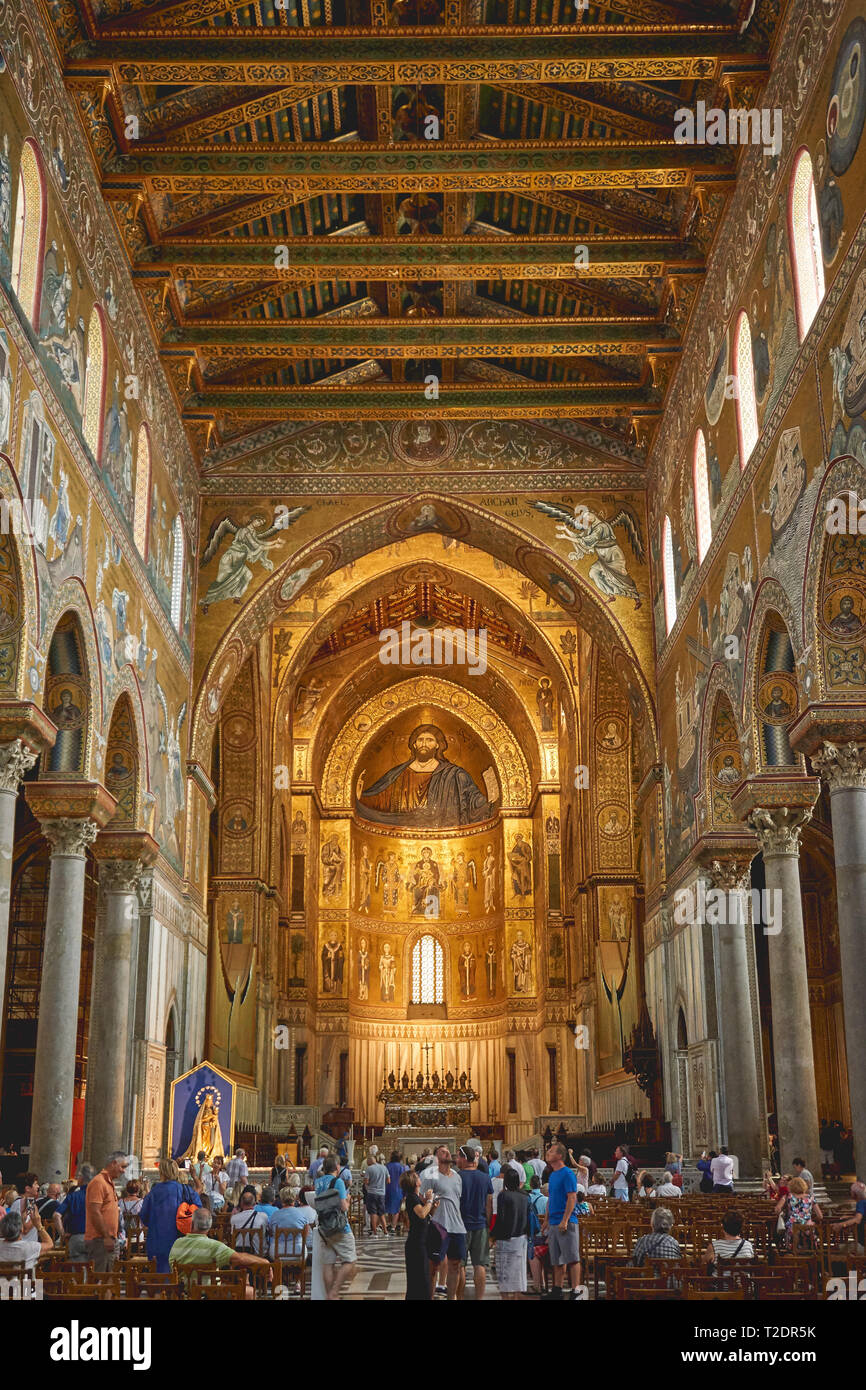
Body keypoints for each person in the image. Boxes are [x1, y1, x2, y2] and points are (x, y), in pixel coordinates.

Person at [170, 1207, 269, 1300]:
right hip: (210, 1295)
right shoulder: (214, 1246)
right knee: (249, 1292)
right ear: (209, 1227)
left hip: (183, 1295)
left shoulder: (176, 1244)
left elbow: (172, 1267)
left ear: (192, 1224)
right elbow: (240, 1258)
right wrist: (264, 1262)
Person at [139, 1158, 203, 1273]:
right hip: (182, 1238)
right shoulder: (185, 1190)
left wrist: (154, 1223)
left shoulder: (154, 1191)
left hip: (157, 1239)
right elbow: (198, 1211)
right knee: (179, 1274)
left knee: (159, 1274)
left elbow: (144, 1215)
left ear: (161, 1172)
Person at [313, 1154, 357, 1300]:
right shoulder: (338, 1182)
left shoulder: (318, 1182)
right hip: (339, 1228)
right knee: (350, 1260)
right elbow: (344, 1207)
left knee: (328, 1264)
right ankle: (334, 1292)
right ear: (337, 1167)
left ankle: (329, 1295)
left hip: (324, 1227)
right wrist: (348, 1200)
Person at [426, 1145, 466, 1301]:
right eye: (443, 1151)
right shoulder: (432, 1176)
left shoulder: (457, 1177)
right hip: (439, 1225)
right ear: (437, 1156)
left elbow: (458, 1199)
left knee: (455, 1265)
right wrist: (431, 1207)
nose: (447, 1153)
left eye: (448, 1151)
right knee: (433, 1266)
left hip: (457, 1226)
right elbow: (424, 1197)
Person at [542, 1142, 580, 1298]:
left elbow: (572, 1197)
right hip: (553, 1221)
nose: (548, 1153)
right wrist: (546, 1219)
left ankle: (575, 1290)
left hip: (567, 1222)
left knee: (572, 1258)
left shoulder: (567, 1173)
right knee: (557, 1259)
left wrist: (565, 1220)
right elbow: (551, 1199)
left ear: (559, 1155)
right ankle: (557, 1290)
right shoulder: (552, 1175)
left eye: (551, 1151)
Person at [456, 1145, 493, 1300]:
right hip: (480, 1224)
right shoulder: (485, 1177)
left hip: (460, 1226)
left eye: (458, 1157)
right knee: (480, 1265)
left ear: (464, 1158)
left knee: (460, 1265)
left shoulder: (457, 1177)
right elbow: (489, 1203)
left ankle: (459, 1297)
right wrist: (487, 1223)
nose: (456, 1160)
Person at [84, 1151, 127, 1272]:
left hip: (108, 1238)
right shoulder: (99, 1182)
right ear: (113, 1163)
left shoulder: (109, 1183)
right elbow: (95, 1212)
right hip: (100, 1239)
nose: (124, 1171)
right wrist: (106, 1237)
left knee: (110, 1277)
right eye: (122, 1167)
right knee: (100, 1278)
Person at [494, 1166, 528, 1299]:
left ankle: (505, 1298)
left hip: (506, 1238)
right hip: (522, 1237)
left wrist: (493, 1236)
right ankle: (516, 1297)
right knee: (518, 1271)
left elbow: (501, 1218)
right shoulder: (525, 1196)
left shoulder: (504, 1195)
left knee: (504, 1271)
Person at [401, 1169, 434, 1301]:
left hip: (421, 1241)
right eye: (417, 1177)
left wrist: (430, 1203)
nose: (420, 1178)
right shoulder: (412, 1198)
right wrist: (430, 1201)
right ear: (414, 1182)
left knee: (422, 1277)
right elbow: (422, 1214)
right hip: (416, 1244)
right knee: (420, 1278)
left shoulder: (417, 1197)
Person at [267, 1189, 317, 1269]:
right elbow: (306, 1234)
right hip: (299, 1252)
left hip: (277, 1254)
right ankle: (297, 1276)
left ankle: (279, 1275)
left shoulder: (275, 1215)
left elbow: (271, 1233)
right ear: (295, 1198)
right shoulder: (301, 1214)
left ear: (281, 1199)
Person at [55, 1164, 94, 1257]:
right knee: (95, 1265)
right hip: (96, 1239)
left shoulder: (73, 1196)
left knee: (77, 1265)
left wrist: (62, 1234)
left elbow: (56, 1215)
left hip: (76, 1238)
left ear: (81, 1178)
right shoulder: (99, 1196)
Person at [0, 1207, 53, 1273]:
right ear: (21, 1229)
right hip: (25, 1280)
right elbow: (50, 1244)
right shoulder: (30, 1247)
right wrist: (39, 1225)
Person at [776, 1176, 822, 1249]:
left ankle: (791, 1249)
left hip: (792, 1228)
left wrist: (783, 1213)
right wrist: (809, 1218)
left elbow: (777, 1209)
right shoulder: (811, 1197)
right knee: (810, 1230)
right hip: (808, 1227)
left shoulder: (787, 1197)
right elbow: (820, 1216)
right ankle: (811, 1249)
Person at [831, 1180, 866, 1249]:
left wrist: (840, 1225)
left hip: (862, 1242)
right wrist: (850, 1217)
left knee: (842, 1248)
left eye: (851, 1191)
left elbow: (857, 1219)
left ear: (855, 1194)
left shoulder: (861, 1203)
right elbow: (862, 1217)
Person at [364, 1152, 388, 1237]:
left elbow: (366, 1181)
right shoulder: (384, 1167)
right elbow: (388, 1180)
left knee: (373, 1213)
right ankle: (385, 1232)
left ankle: (375, 1233)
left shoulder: (369, 1169)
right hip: (382, 1193)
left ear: (370, 1161)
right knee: (381, 1213)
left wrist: (369, 1183)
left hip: (372, 1193)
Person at [384, 1151, 406, 1234]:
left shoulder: (387, 1166)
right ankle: (393, 1226)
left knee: (389, 1207)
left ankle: (389, 1224)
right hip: (398, 1189)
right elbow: (404, 1179)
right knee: (396, 1209)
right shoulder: (401, 1167)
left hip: (387, 1188)